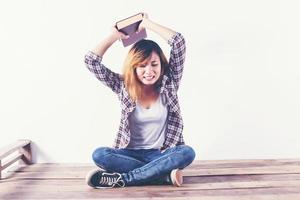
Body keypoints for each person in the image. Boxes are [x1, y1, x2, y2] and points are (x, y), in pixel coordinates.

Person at [84, 13, 195, 188]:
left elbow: (178, 42)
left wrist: (147, 24)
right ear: (133, 68)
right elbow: (91, 61)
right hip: (128, 154)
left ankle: (123, 180)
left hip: (161, 154)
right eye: (142, 66)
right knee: (100, 154)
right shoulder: (123, 85)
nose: (149, 71)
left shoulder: (170, 82)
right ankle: (163, 176)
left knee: (187, 152)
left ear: (161, 65)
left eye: (154, 64)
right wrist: (114, 36)